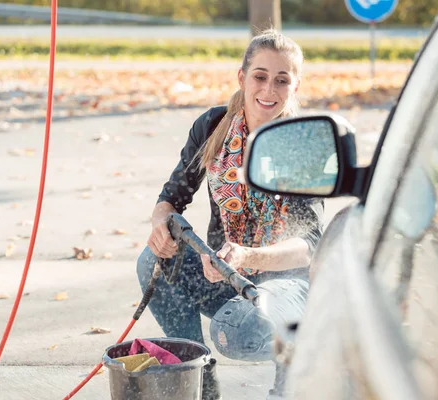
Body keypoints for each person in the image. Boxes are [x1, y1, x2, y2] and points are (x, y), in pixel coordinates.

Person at [136, 29, 324, 400]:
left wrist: (249, 255)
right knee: (151, 263)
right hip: (225, 271)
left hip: (288, 287)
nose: (269, 90)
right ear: (242, 77)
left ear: (295, 87)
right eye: (260, 76)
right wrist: (160, 223)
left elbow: (312, 244)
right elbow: (172, 196)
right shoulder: (213, 126)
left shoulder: (303, 144)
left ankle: (301, 365)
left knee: (235, 332)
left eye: (282, 80)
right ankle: (196, 387)